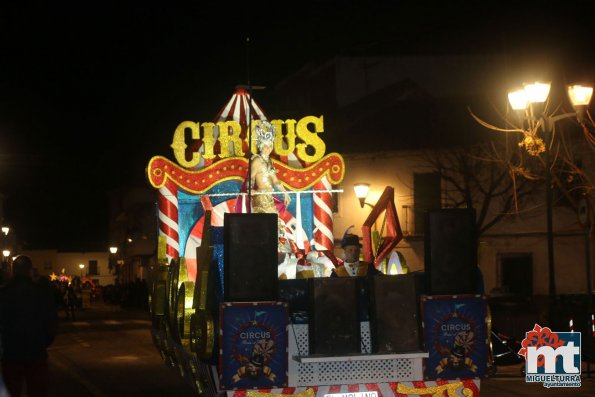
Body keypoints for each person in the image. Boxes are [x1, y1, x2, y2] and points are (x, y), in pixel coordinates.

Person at [0, 255, 58, 397]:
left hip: (11, 352)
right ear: (29, 270)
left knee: (11, 391)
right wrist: (43, 342)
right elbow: (51, 322)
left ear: (13, 270)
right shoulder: (41, 293)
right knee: (37, 391)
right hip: (36, 350)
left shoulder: (4, 294)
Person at [249, 120, 290, 214]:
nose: (268, 149)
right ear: (261, 147)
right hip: (260, 197)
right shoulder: (257, 160)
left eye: (270, 146)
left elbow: (275, 180)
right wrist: (250, 189)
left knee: (274, 222)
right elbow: (250, 178)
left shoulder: (270, 161)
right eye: (266, 146)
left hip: (269, 196)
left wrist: (285, 193)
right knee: (267, 223)